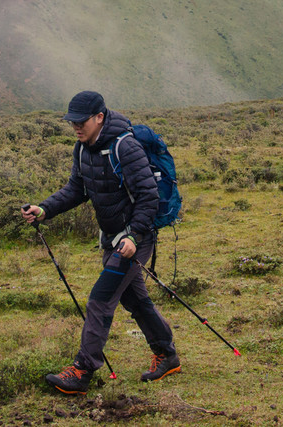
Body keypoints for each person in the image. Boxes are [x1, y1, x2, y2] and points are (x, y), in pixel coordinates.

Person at [21, 90, 180, 394]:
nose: (76, 127)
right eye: (72, 123)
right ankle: (168, 355)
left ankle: (82, 370)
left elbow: (148, 196)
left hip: (136, 238)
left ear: (99, 117)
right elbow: (75, 190)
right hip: (112, 239)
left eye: (81, 122)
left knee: (101, 298)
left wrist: (134, 235)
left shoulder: (126, 147)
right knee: (134, 299)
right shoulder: (82, 150)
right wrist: (44, 209)